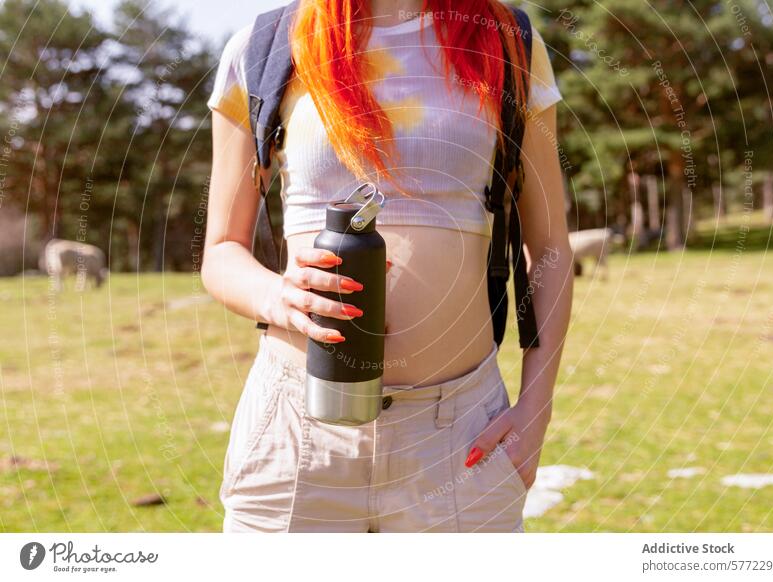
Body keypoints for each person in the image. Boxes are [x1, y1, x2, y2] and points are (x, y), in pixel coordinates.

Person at [202, 0, 573, 532]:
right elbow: (220, 250)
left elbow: (550, 247)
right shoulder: (264, 47)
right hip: (297, 436)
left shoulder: (508, 40)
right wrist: (275, 296)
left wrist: (536, 410)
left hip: (460, 430)